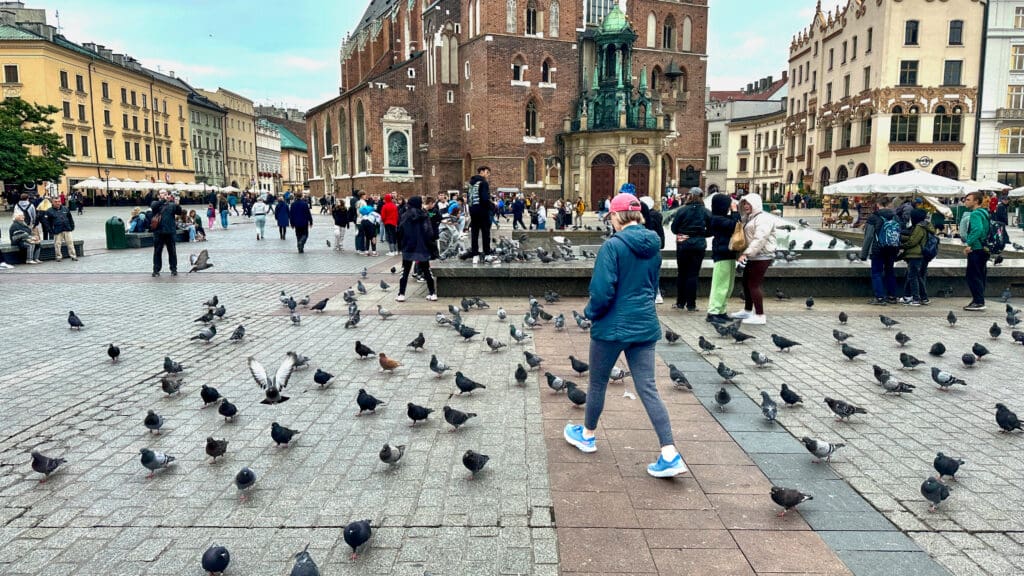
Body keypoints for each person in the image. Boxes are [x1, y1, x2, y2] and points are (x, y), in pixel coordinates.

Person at [563, 192, 687, 478]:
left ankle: (587, 435)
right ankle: (669, 453)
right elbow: (651, 286)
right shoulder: (653, 246)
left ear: (617, 216)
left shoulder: (613, 247)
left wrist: (590, 312)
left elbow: (602, 291)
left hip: (612, 327)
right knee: (648, 388)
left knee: (597, 383)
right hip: (644, 325)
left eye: (611, 217)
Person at [730, 193, 777, 325]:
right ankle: (748, 310)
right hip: (754, 256)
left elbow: (760, 239)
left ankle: (760, 315)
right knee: (746, 282)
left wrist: (746, 254)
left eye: (748, 203)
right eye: (744, 203)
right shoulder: (750, 218)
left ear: (755, 204)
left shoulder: (763, 219)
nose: (745, 206)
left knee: (753, 284)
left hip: (762, 255)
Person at [670, 186, 710, 311]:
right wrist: (701, 234)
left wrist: (683, 233)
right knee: (693, 274)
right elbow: (713, 228)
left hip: (683, 244)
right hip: (699, 245)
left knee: (682, 273)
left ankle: (680, 302)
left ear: (690, 196)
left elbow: (673, 229)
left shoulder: (682, 210)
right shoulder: (706, 211)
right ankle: (691, 305)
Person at [395, 196, 438, 301]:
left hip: (408, 246)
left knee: (405, 271)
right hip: (422, 246)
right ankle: (432, 293)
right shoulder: (424, 215)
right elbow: (429, 232)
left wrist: (401, 244)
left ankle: (401, 294)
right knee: (426, 270)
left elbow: (400, 231)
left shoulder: (405, 215)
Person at [859, 197, 900, 305]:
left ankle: (880, 298)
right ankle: (892, 296)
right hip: (892, 248)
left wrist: (863, 254)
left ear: (878, 204)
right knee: (890, 271)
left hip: (878, 249)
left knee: (876, 273)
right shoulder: (895, 217)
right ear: (889, 204)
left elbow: (868, 237)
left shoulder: (874, 217)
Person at [706, 193, 741, 322]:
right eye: (727, 204)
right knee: (720, 284)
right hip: (722, 254)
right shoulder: (716, 219)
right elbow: (735, 225)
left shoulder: (721, 217)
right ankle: (713, 312)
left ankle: (721, 310)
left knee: (728, 285)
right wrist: (735, 210)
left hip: (728, 253)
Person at [961, 191, 991, 311]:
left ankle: (978, 301)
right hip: (983, 248)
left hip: (977, 248)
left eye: (968, 199)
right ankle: (978, 299)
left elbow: (977, 230)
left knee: (972, 275)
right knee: (980, 275)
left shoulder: (975, 214)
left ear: (976, 201)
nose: (965, 201)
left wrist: (969, 243)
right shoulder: (985, 213)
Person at [899, 208, 935, 306]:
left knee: (913, 276)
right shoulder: (926, 225)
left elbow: (913, 241)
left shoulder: (919, 227)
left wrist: (902, 245)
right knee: (917, 276)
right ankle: (921, 298)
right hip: (921, 254)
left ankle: (915, 299)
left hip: (915, 254)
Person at [151, 190, 184, 277]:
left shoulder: (172, 205)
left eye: (166, 193)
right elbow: (153, 207)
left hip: (170, 232)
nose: (164, 194)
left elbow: (179, 212)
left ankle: (174, 269)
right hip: (158, 232)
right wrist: (163, 200)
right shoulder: (155, 203)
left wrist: (177, 204)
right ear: (158, 195)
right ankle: (156, 270)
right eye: (162, 193)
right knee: (157, 251)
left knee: (172, 251)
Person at [639, 196, 665, 304]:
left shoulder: (643, 221)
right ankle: (656, 294)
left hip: (645, 247)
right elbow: (660, 233)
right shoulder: (657, 217)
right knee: (654, 273)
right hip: (655, 247)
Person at [463, 166, 492, 262]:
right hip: (482, 211)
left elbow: (468, 198)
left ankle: (475, 254)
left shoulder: (471, 183)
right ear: (482, 172)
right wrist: (492, 206)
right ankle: (487, 254)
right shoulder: (483, 182)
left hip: (473, 212)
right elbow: (484, 199)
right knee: (485, 232)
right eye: (487, 172)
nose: (488, 175)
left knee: (474, 233)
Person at [46, 196, 78, 262]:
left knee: (70, 243)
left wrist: (72, 226)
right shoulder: (49, 211)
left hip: (67, 229)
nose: (58, 203)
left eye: (59, 201)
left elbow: (70, 218)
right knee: (57, 244)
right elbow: (47, 223)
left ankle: (73, 256)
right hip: (57, 230)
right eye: (56, 202)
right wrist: (50, 230)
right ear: (52, 202)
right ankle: (58, 257)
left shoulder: (65, 209)